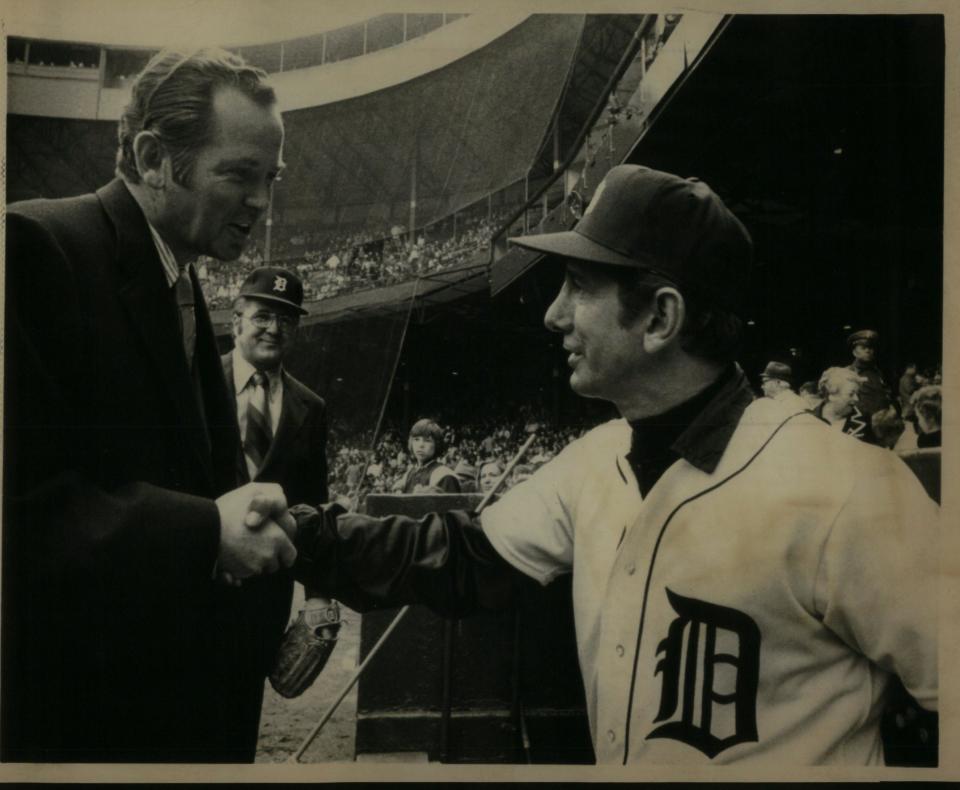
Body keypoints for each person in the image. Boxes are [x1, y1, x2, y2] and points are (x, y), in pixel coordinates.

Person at [287, 165, 937, 766]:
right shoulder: (594, 460)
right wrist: (305, 536)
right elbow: (464, 556)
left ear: (660, 317)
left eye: (579, 286)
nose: (552, 314)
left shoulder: (850, 487)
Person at [3, 48, 298, 762]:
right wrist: (206, 532)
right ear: (153, 156)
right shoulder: (35, 248)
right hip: (80, 732)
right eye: (239, 174)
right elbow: (20, 510)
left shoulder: (186, 282)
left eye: (270, 178)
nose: (261, 201)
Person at [223, 266, 338, 697]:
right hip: (191, 584)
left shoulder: (311, 406)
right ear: (236, 321)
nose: (274, 329)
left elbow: (314, 505)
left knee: (239, 722)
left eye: (287, 320)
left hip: (263, 597)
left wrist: (319, 594)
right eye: (262, 317)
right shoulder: (191, 382)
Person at [395, 419, 461, 494]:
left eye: (427, 440)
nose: (421, 445)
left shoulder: (445, 476)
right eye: (416, 439)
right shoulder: (410, 474)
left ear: (437, 444)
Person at [815, 366, 877, 444]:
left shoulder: (862, 420)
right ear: (832, 395)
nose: (856, 399)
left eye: (857, 394)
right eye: (851, 394)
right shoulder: (809, 419)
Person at [845, 329, 892, 419]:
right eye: (863, 348)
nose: (868, 351)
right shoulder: (848, 373)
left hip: (880, 423)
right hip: (860, 423)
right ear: (854, 353)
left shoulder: (878, 372)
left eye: (870, 348)